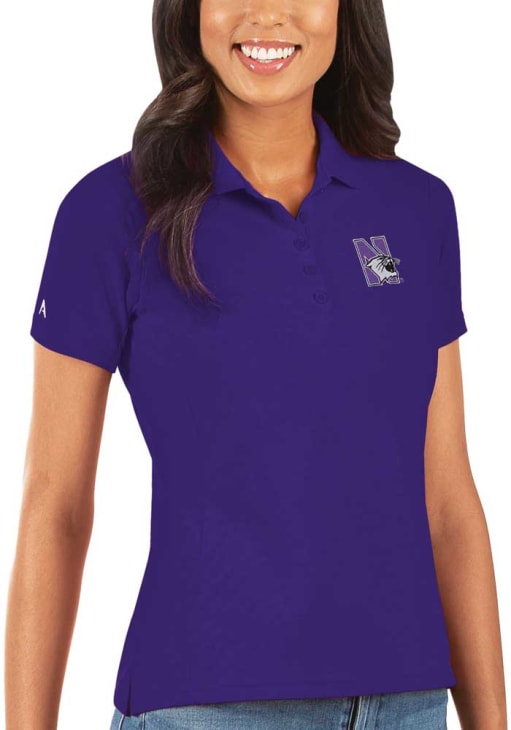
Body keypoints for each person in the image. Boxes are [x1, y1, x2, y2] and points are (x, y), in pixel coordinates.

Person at [5, 0, 506, 728]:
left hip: (408, 703)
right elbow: (55, 505)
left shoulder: (416, 207)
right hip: (203, 705)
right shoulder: (110, 211)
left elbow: (447, 501)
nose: (267, 14)